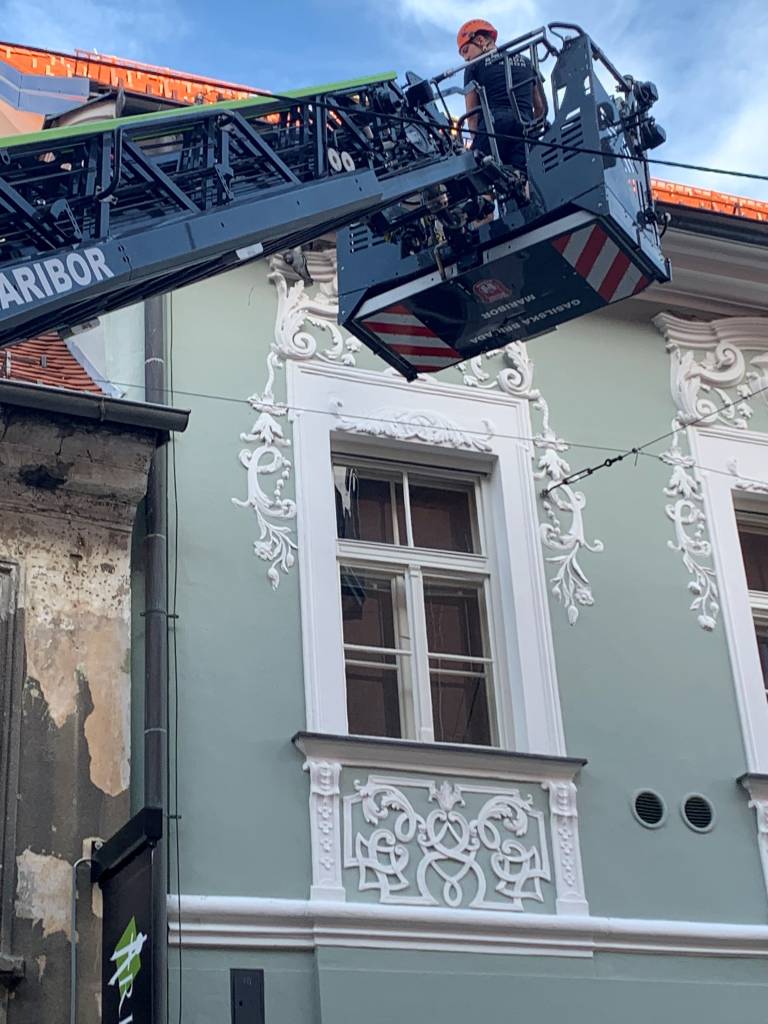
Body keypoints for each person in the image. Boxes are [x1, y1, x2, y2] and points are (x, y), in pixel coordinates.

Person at [458, 19, 546, 174]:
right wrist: (533, 130)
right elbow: (540, 107)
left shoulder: (474, 65)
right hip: (526, 126)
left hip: (494, 125)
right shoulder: (527, 62)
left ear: (480, 40)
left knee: (476, 177)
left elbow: (472, 115)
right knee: (524, 179)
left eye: (465, 51)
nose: (465, 59)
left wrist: (479, 143)